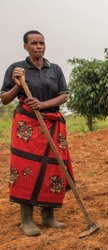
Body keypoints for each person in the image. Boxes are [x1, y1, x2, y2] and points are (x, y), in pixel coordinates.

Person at [0, 30, 73, 236]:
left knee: (53, 168)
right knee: (27, 169)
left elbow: (64, 95)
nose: (39, 46)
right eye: (34, 43)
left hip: (51, 123)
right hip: (27, 127)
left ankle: (48, 217)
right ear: (25, 46)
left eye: (42, 43)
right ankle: (27, 221)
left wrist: (43, 104)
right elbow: (4, 99)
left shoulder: (55, 69)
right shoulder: (17, 69)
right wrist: (17, 85)